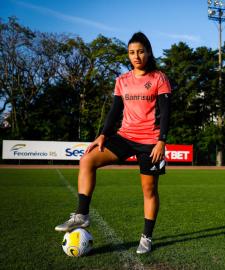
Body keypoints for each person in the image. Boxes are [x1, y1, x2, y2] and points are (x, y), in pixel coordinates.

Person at [55, 32, 171, 254]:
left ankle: (146, 237)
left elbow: (166, 113)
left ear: (148, 52)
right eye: (131, 52)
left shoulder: (159, 78)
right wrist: (103, 135)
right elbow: (114, 111)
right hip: (125, 136)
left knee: (149, 190)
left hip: (150, 141)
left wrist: (161, 141)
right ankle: (82, 214)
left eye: (140, 51)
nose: (136, 56)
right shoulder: (122, 80)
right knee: (87, 159)